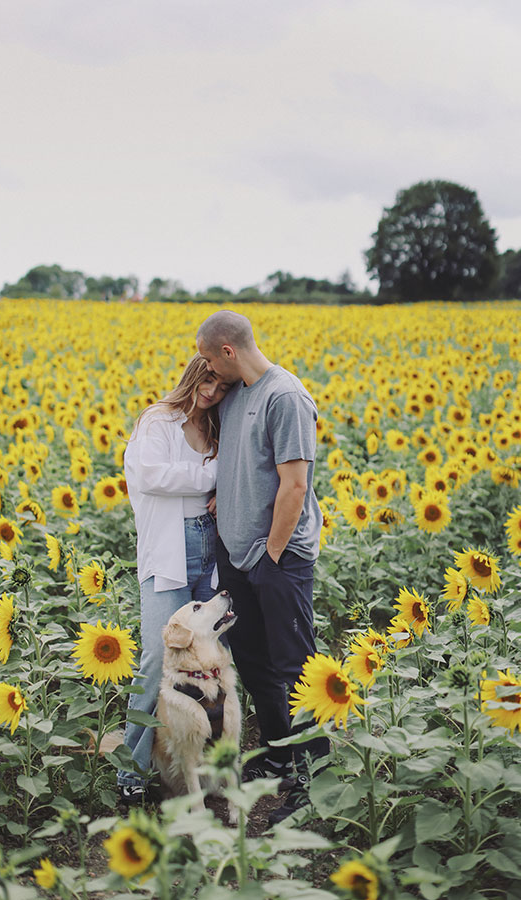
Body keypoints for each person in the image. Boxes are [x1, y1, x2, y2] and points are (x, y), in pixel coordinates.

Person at [196, 310, 330, 825]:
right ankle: (278, 757)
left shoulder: (285, 396)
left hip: (278, 558)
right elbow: (244, 466)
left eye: (208, 358)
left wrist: (271, 558)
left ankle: (313, 787)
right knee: (254, 664)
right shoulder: (237, 397)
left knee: (297, 669)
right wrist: (224, 501)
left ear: (228, 351)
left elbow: (295, 485)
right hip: (238, 556)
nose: (206, 369)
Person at [117, 354, 230, 802]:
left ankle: (209, 771)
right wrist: (212, 476)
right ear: (192, 375)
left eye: (222, 387)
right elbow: (151, 475)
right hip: (169, 547)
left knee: (214, 659)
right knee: (156, 660)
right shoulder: (158, 421)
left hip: (209, 544)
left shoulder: (219, 426)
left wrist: (222, 484)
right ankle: (132, 774)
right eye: (207, 381)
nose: (212, 392)